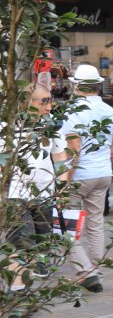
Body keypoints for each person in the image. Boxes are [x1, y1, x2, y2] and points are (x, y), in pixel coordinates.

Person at [62, 65, 113, 293]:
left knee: (65, 226)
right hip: (103, 173)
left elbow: (73, 150)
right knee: (95, 224)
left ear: (76, 86)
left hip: (78, 176)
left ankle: (86, 272)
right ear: (97, 86)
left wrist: (65, 179)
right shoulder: (110, 111)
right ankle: (97, 271)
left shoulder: (72, 112)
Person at [5, 86, 66, 290]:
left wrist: (62, 188)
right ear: (25, 103)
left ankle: (33, 277)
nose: (50, 106)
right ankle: (17, 289)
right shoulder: (6, 126)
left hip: (45, 193)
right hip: (15, 194)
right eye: (44, 102)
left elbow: (59, 156)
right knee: (21, 241)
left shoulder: (51, 125)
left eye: (51, 100)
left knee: (42, 240)